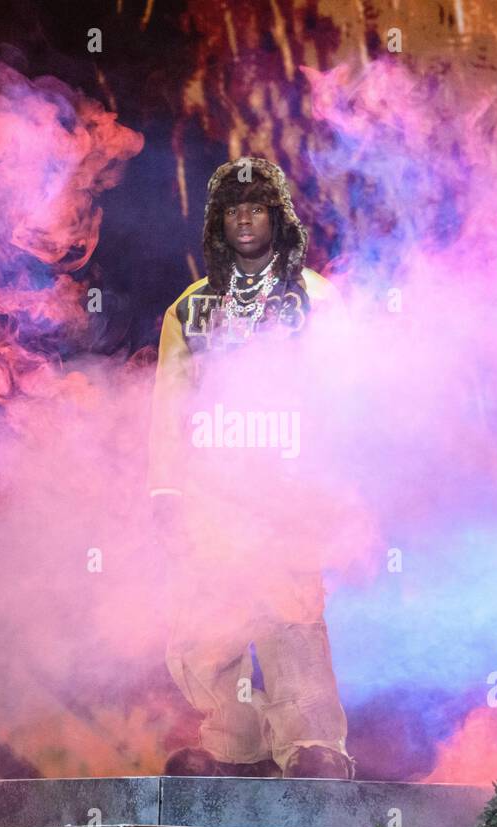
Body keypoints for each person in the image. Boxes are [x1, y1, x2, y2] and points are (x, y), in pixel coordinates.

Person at [147, 157, 355, 780]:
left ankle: (313, 747)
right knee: (205, 621)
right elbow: (170, 404)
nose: (245, 220)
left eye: (257, 209)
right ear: (217, 225)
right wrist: (165, 489)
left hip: (289, 487)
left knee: (291, 614)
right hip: (212, 490)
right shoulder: (188, 309)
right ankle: (231, 744)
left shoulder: (318, 301)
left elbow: (346, 396)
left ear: (279, 220)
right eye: (233, 211)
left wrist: (334, 485)